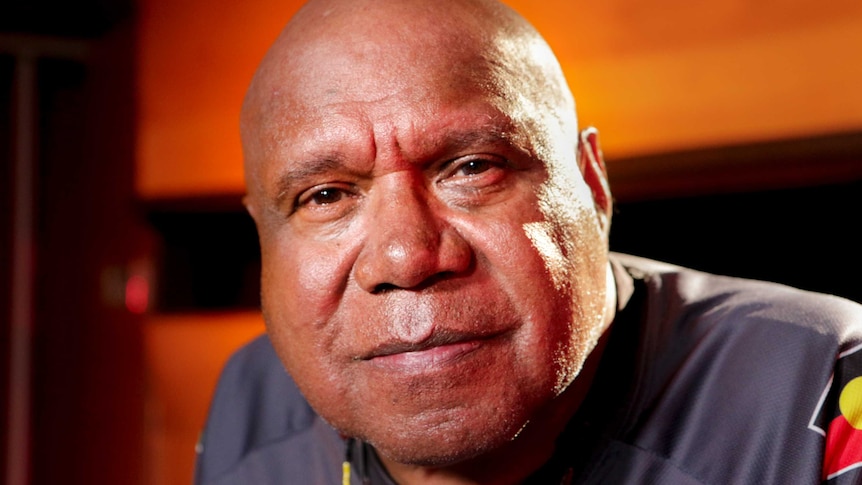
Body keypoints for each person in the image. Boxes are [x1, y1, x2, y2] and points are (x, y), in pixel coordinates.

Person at [193, 0, 862, 483]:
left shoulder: (821, 389)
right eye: (326, 196)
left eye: (472, 167)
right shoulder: (253, 402)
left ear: (593, 184)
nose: (407, 257)